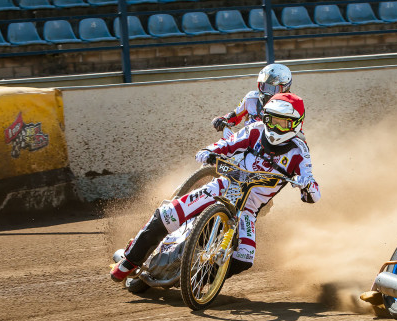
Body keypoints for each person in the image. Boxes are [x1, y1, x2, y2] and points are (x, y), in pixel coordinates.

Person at [111, 92, 320, 282]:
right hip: (223, 187)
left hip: (248, 209)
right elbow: (226, 145)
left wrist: (307, 186)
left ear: (296, 124)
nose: (275, 127)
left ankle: (200, 280)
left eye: (283, 123)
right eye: (272, 120)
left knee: (244, 258)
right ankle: (129, 261)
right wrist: (208, 151)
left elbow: (313, 192)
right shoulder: (255, 130)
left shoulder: (300, 152)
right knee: (167, 214)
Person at [211, 63, 293, 132]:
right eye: (264, 87)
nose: (267, 93)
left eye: (273, 89)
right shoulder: (251, 98)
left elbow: (297, 133)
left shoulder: (292, 105)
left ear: (285, 88)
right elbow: (236, 116)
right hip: (249, 142)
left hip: (275, 145)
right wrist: (224, 119)